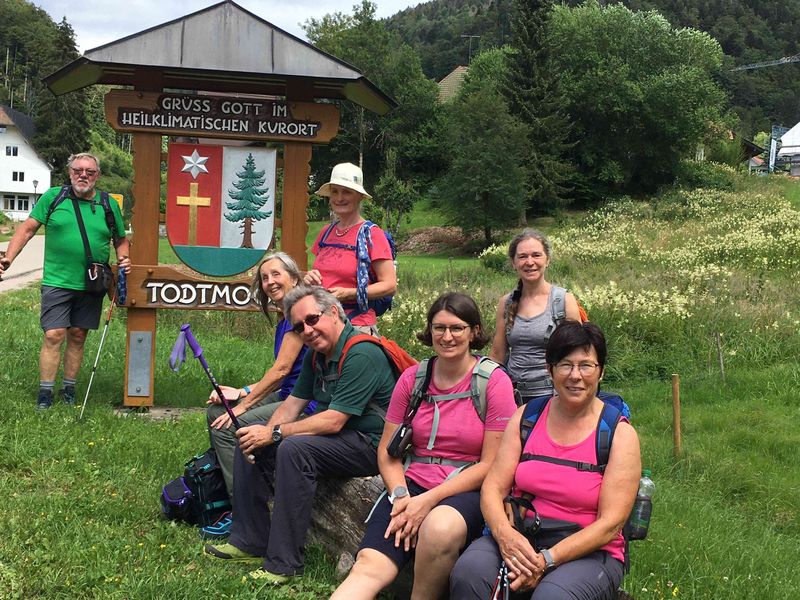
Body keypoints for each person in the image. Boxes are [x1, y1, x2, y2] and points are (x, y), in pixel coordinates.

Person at [203, 285, 397, 585]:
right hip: (344, 437)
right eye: (298, 327)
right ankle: (249, 541)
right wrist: (262, 435)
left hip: (373, 444)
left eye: (312, 319)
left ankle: (284, 564)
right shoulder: (316, 356)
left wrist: (275, 433)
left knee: (294, 450)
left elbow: (334, 421)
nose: (307, 330)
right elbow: (293, 404)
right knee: (250, 438)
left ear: (334, 312)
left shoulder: (362, 352)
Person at [331, 292, 518, 600]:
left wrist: (428, 501)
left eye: (457, 328)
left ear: (474, 332)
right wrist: (401, 495)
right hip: (412, 484)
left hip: (467, 488)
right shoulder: (413, 378)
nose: (447, 336)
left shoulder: (493, 382)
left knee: (439, 529)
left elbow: (492, 464)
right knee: (369, 565)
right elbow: (388, 452)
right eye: (439, 328)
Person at [450, 320, 641, 599]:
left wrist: (546, 560)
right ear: (550, 370)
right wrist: (504, 534)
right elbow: (493, 487)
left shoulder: (618, 435)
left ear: (601, 372)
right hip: (522, 534)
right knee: (469, 573)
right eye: (565, 365)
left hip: (590, 552)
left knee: (552, 596)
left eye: (586, 365)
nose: (575, 375)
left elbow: (610, 524)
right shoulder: (527, 417)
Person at [0, 153, 130, 410]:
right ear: (70, 173)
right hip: (57, 280)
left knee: (78, 335)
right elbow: (27, 229)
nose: (83, 175)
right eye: (78, 170)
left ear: (97, 175)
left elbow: (120, 239)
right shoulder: (53, 197)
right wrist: (8, 259)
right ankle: (45, 393)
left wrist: (123, 260)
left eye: (89, 172)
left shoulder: (107, 204)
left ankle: (69, 389)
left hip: (92, 281)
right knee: (54, 334)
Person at [205, 252, 309, 505]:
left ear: (294, 278)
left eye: (276, 274)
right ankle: (231, 484)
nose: (270, 282)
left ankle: (244, 507)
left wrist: (244, 405)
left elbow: (281, 370)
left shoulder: (299, 314)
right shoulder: (284, 317)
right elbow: (283, 373)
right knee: (217, 411)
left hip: (305, 403)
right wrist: (242, 391)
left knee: (229, 426)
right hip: (287, 394)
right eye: (264, 278)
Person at [304, 162, 396, 335]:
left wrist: (350, 293)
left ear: (359, 196)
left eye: (346, 192)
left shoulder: (372, 234)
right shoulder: (326, 232)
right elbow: (323, 273)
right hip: (322, 322)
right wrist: (310, 278)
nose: (339, 198)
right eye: (335, 191)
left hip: (356, 326)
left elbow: (390, 285)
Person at [490, 229, 581, 404]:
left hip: (554, 397)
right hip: (512, 395)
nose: (529, 262)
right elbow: (497, 354)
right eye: (522, 256)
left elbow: (578, 353)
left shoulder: (564, 301)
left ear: (548, 260)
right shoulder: (506, 303)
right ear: (514, 263)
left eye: (536, 255)